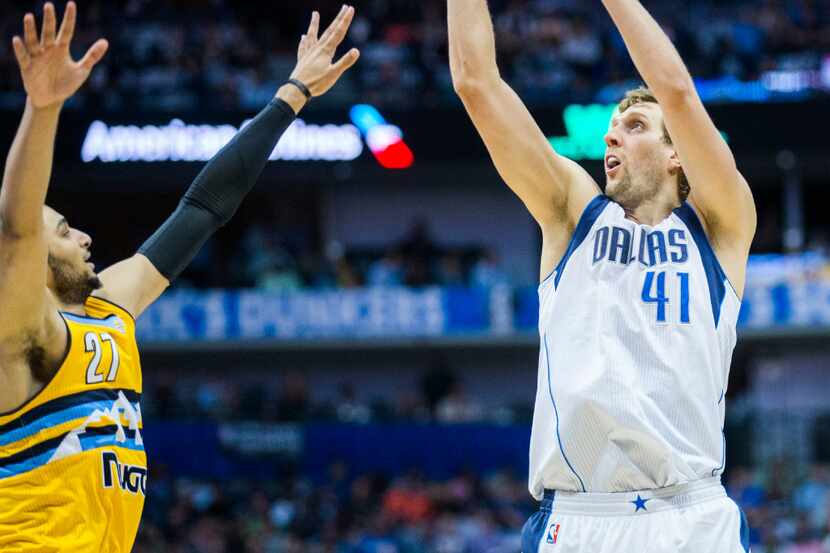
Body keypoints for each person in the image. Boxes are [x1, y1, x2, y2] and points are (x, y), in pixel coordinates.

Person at [0, 3, 359, 551]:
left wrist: (291, 94)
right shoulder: (23, 338)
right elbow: (18, 228)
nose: (85, 238)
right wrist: (43, 110)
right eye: (67, 230)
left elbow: (204, 207)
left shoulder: (106, 308)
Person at [448, 1, 756, 551]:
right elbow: (476, 83)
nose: (612, 138)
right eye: (612, 130)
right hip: (577, 519)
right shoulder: (572, 213)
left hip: (692, 516)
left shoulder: (721, 225)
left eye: (634, 126)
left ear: (677, 155)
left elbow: (678, 94)